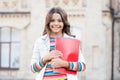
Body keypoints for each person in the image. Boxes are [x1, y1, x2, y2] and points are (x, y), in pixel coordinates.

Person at [30, 7, 86, 80]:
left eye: (59, 21)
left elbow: (83, 66)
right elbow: (33, 69)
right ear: (48, 22)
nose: (56, 23)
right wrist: (45, 58)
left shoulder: (71, 41)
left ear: (64, 23)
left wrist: (64, 64)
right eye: (52, 20)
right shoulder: (40, 41)